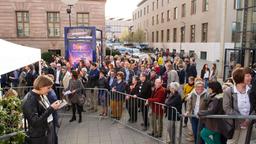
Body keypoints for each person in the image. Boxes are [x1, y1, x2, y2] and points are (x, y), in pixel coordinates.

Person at [22, 75, 60, 144]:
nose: (50, 90)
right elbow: (35, 122)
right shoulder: (30, 99)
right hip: (39, 137)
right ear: (41, 86)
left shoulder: (41, 94)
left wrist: (53, 107)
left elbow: (45, 111)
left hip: (46, 131)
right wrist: (51, 108)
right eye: (48, 88)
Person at [223, 67, 254, 144]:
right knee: (232, 142)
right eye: (247, 76)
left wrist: (248, 120)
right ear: (240, 77)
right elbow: (226, 108)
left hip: (248, 124)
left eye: (250, 75)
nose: (250, 77)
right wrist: (241, 119)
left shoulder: (252, 90)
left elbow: (255, 107)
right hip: (234, 124)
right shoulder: (229, 91)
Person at [185, 78, 208, 144]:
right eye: (198, 87)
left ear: (203, 87)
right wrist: (187, 111)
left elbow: (208, 105)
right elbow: (189, 103)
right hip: (194, 116)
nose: (199, 89)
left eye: (201, 87)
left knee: (201, 133)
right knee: (195, 132)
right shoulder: (193, 94)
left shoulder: (206, 94)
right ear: (195, 87)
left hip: (202, 117)